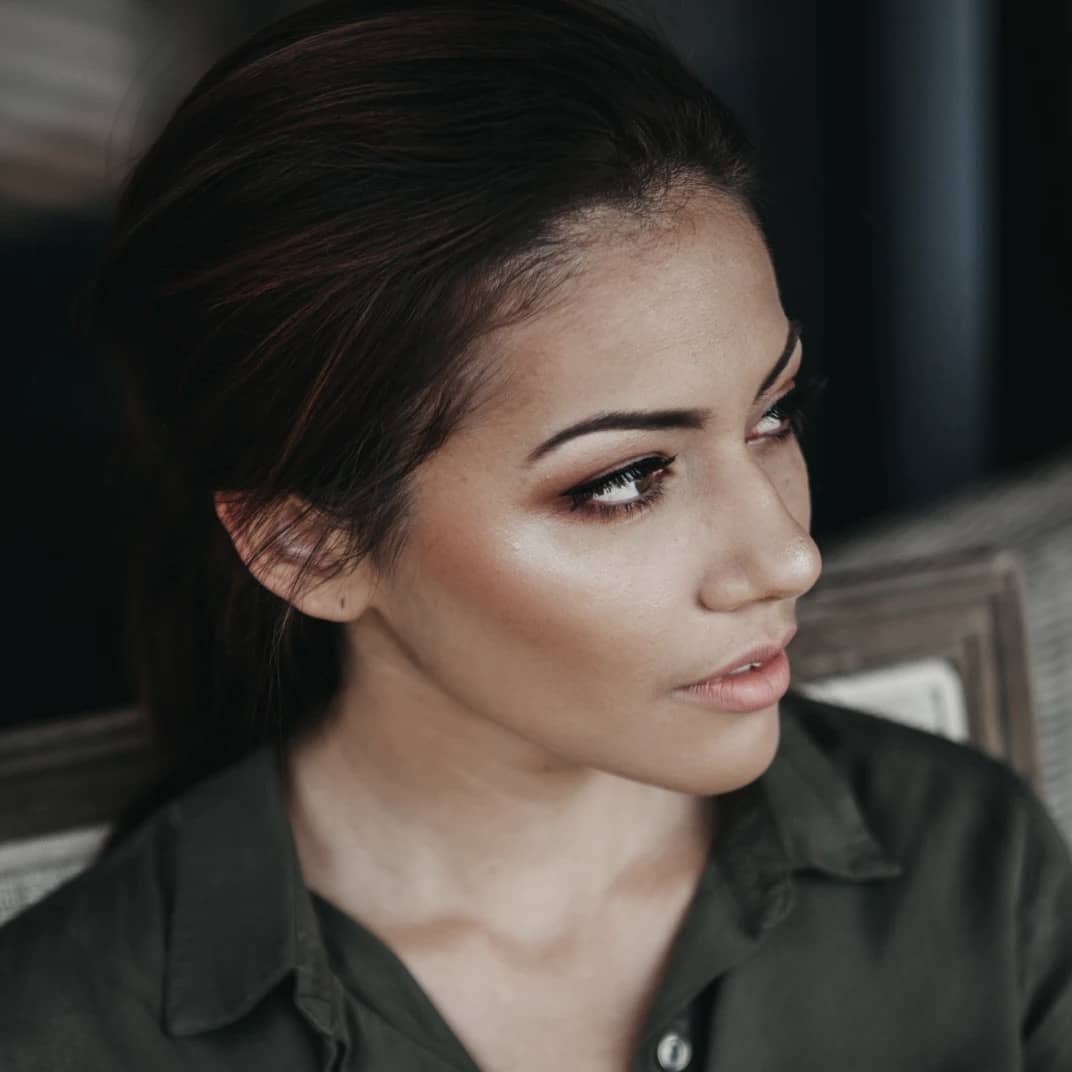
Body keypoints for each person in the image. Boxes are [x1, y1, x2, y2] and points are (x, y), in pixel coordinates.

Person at [1, 1, 1069, 1069]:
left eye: (774, 414)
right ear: (306, 546)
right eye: (623, 480)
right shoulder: (75, 1030)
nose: (789, 557)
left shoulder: (967, 866)